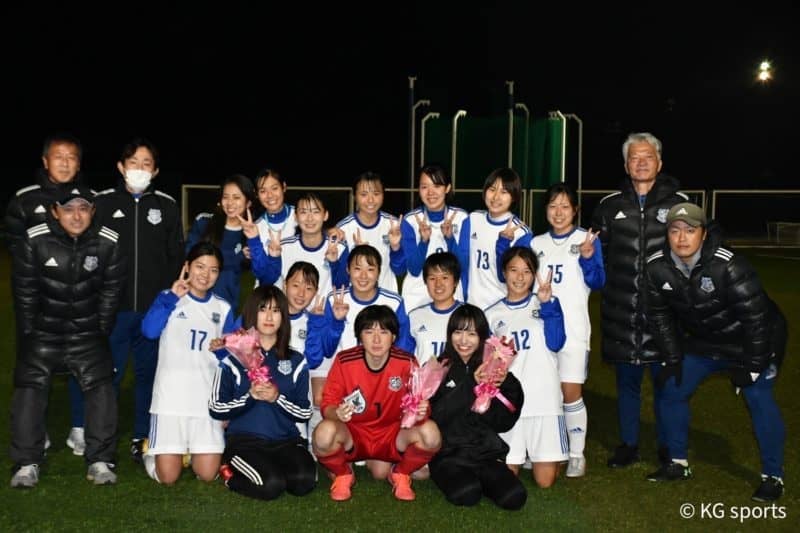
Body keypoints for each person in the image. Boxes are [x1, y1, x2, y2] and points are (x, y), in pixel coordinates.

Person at [644, 203, 787, 502]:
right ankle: (678, 463)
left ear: (704, 233)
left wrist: (754, 366)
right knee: (672, 389)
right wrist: (672, 357)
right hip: (706, 341)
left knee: (759, 397)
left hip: (753, 340)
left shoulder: (729, 265)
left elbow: (758, 319)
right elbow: (659, 316)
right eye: (674, 230)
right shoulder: (657, 266)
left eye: (690, 230)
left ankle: (773, 476)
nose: (682, 238)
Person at [10, 187, 125, 488]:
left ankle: (100, 460)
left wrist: (99, 328)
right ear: (55, 212)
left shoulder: (108, 243)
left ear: (92, 212)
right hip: (44, 334)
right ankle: (26, 462)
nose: (76, 216)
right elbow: (24, 293)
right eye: (69, 209)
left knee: (102, 388)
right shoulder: (34, 240)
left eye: (83, 209)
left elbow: (112, 291)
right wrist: (31, 334)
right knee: (29, 389)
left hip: (87, 334)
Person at [590, 132, 686, 468]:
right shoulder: (609, 206)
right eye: (634, 157)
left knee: (665, 386)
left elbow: (695, 253)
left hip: (665, 315)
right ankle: (628, 445)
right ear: (626, 164)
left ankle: (666, 446)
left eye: (648, 157)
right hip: (622, 314)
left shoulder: (680, 204)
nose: (641, 163)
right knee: (627, 384)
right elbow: (597, 259)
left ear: (659, 162)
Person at [94, 137, 185, 462]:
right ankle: (102, 440)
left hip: (151, 312)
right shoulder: (102, 203)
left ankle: (142, 436)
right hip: (113, 310)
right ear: (121, 166)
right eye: (134, 162)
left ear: (155, 170)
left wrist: (166, 301)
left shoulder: (166, 206)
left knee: (149, 375)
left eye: (147, 164)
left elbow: (176, 258)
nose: (140, 169)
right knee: (109, 375)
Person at [5, 133, 89, 455]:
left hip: (79, 297)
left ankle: (80, 427)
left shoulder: (89, 199)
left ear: (79, 163)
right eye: (58, 156)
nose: (65, 163)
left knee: (82, 360)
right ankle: (35, 430)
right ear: (45, 161)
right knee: (35, 365)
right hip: (39, 300)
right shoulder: (24, 200)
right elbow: (15, 246)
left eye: (71, 157)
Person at [313, 305, 441, 501]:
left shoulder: (406, 362)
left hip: (391, 434)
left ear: (394, 336)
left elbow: (418, 404)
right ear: (359, 336)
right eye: (369, 331)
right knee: (323, 433)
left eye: (383, 332)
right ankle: (343, 474)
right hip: (353, 433)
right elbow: (327, 404)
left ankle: (400, 473)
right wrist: (336, 413)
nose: (376, 339)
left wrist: (423, 410)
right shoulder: (344, 361)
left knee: (431, 434)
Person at [141, 242, 235, 485]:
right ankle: (150, 454)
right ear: (187, 267)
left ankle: (190, 451)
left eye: (213, 270)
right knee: (168, 478)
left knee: (207, 475)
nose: (205, 275)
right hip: (170, 401)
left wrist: (222, 351)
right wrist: (172, 298)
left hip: (206, 402)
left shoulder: (223, 308)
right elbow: (149, 331)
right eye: (199, 267)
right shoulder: (170, 298)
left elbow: (231, 359)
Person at [209, 286, 316, 500]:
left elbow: (305, 412)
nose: (269, 317)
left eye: (276, 311)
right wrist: (250, 397)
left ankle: (273, 467)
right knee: (271, 486)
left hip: (286, 441)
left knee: (304, 482)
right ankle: (230, 475)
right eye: (263, 309)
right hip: (245, 443)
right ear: (252, 313)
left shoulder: (296, 360)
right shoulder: (232, 359)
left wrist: (276, 398)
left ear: (283, 317)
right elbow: (216, 408)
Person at [529, 183, 605, 477]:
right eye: (552, 206)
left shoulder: (586, 239)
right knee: (542, 390)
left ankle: (576, 454)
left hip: (574, 330)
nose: (558, 212)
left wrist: (587, 257)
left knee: (570, 392)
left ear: (575, 210)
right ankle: (541, 449)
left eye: (564, 206)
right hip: (542, 327)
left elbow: (597, 281)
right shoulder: (536, 244)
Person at [305, 244, 412, 451]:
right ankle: (320, 438)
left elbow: (403, 345)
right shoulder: (335, 299)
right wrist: (337, 322)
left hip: (380, 373)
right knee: (325, 406)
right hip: (344, 373)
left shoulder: (393, 301)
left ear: (379, 272)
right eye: (357, 268)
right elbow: (327, 349)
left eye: (370, 269)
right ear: (347, 270)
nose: (363, 276)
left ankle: (374, 439)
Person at [429, 304, 526, 510]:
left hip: (484, 454)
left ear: (482, 337)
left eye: (472, 334)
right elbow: (437, 416)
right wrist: (471, 384)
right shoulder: (437, 367)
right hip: (448, 455)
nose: (463, 340)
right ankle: (467, 480)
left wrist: (506, 382)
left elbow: (504, 422)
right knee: (467, 493)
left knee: (514, 497)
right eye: (458, 332)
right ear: (449, 334)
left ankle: (486, 478)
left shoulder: (493, 368)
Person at [485, 246, 567, 488]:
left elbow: (556, 342)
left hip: (544, 400)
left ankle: (542, 455)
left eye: (527, 271)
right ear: (504, 273)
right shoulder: (491, 314)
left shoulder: (546, 303)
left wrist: (547, 305)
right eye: (514, 270)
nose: (520, 277)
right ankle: (523, 454)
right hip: (510, 403)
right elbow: (489, 362)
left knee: (545, 482)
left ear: (534, 275)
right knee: (506, 477)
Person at [244, 191, 348, 297]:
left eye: (315, 212)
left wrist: (334, 263)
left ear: (325, 215)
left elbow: (343, 287)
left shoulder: (339, 247)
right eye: (303, 212)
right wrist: (257, 242)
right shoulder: (283, 248)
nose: (310, 218)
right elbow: (266, 282)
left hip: (325, 308)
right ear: (295, 216)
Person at [456, 167, 531, 310]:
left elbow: (508, 278)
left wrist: (504, 243)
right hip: (472, 307)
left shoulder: (522, 233)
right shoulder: (472, 219)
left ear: (514, 197)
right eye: (492, 189)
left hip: (502, 310)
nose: (496, 197)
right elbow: (461, 264)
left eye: (504, 192)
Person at [399, 164, 468, 311]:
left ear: (447, 188)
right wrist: (424, 241)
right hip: (417, 296)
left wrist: (450, 238)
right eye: (424, 187)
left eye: (437, 186)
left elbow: (462, 265)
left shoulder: (461, 218)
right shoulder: (410, 220)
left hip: (451, 295)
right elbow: (414, 269)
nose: (430, 192)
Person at [185, 174, 255, 311]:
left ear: (248, 203)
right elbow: (190, 255)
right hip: (195, 301)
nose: (230, 203)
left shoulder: (252, 233)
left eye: (236, 197)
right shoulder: (204, 223)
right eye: (225, 197)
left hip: (227, 307)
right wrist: (238, 257)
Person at [333, 171, 404, 293]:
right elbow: (338, 279)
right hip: (353, 299)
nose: (371, 200)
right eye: (364, 194)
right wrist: (356, 255)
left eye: (376, 194)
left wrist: (396, 247)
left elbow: (400, 270)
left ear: (383, 195)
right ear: (354, 196)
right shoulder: (343, 229)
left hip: (385, 297)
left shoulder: (393, 225)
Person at [407, 251, 463, 362]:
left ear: (455, 281)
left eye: (445, 277)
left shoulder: (470, 315)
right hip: (422, 374)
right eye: (432, 278)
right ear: (425, 282)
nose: (438, 284)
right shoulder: (414, 317)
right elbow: (403, 357)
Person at [254, 168, 297, 250]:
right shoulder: (256, 227)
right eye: (263, 191)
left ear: (284, 187)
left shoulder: (300, 215)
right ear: (257, 194)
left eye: (274, 188)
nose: (270, 195)